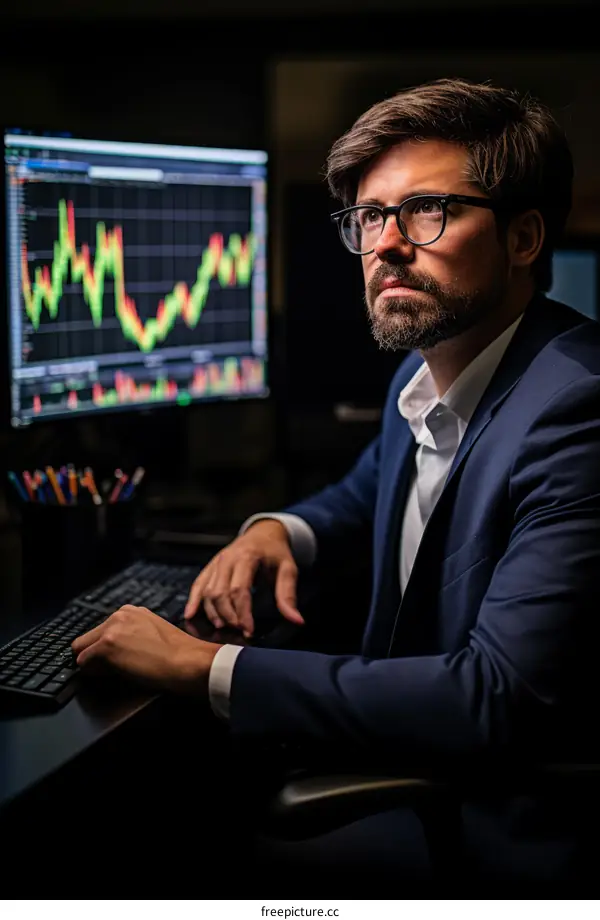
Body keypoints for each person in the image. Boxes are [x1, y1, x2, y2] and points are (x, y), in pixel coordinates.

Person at [72, 78, 600, 890]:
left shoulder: (576, 411)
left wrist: (199, 666)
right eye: (370, 217)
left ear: (525, 236)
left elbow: (494, 696)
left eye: (429, 211)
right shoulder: (428, 374)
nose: (386, 244)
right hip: (421, 777)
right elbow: (363, 496)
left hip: (502, 843)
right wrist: (275, 530)